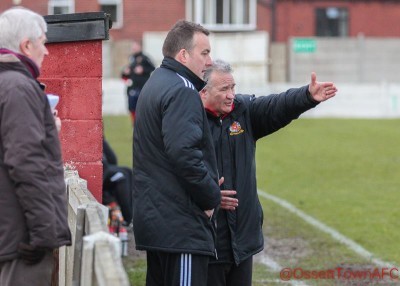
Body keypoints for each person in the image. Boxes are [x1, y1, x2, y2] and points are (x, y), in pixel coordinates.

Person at [199, 59, 337, 286]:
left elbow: (276, 106)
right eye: (224, 89)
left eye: (233, 87)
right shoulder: (190, 119)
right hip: (208, 240)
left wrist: (307, 96)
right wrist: (209, 195)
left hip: (243, 238)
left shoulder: (243, 112)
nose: (231, 94)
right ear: (203, 91)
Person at [132, 20, 222, 286]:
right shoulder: (182, 90)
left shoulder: (157, 81)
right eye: (204, 53)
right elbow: (184, 154)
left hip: (159, 220)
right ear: (183, 55)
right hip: (180, 227)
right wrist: (211, 197)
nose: (209, 61)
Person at [0, 7, 72, 286]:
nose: (47, 51)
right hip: (22, 236)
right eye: (43, 42)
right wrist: (44, 233)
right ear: (26, 45)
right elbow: (25, 162)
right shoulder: (19, 87)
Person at [121, 39, 155, 124]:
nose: (134, 48)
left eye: (135, 46)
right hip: (132, 88)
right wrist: (125, 72)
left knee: (141, 109)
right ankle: (135, 125)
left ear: (140, 47)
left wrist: (143, 70)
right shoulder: (131, 58)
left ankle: (142, 125)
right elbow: (125, 73)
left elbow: (153, 68)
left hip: (142, 88)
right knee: (132, 108)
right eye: (133, 47)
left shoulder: (145, 58)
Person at [102, 138, 133, 227]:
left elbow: (112, 159)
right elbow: (112, 159)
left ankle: (131, 216)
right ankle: (128, 218)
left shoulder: (96, 131)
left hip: (105, 166)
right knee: (121, 176)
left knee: (128, 171)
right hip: (101, 171)